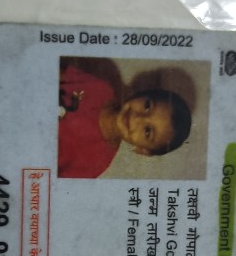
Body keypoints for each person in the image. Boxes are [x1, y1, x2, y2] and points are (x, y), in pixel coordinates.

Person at [58, 59, 192, 178]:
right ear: (141, 94)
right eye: (147, 106)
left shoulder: (96, 163)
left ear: (142, 150)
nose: (137, 118)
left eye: (147, 131)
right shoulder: (100, 87)